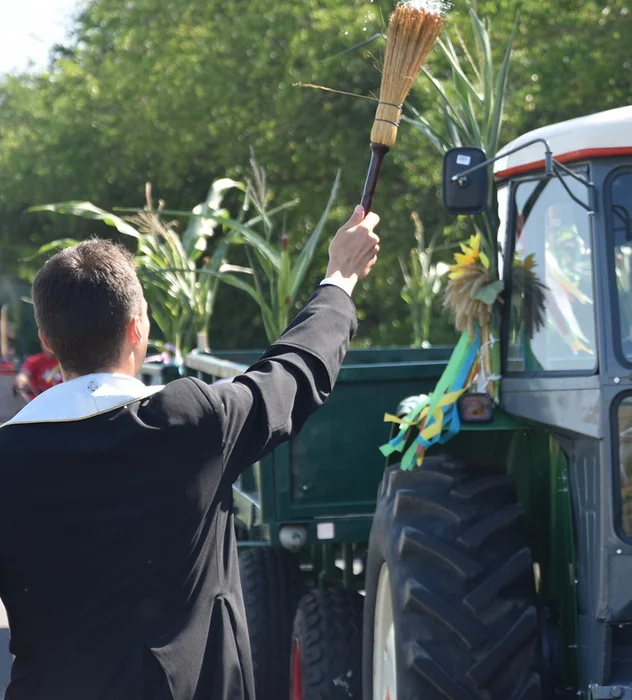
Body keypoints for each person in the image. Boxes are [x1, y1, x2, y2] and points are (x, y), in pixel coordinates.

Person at [0, 204, 380, 700]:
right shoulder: (191, 423)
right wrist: (340, 279)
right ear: (139, 328)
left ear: (48, 340)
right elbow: (292, 372)